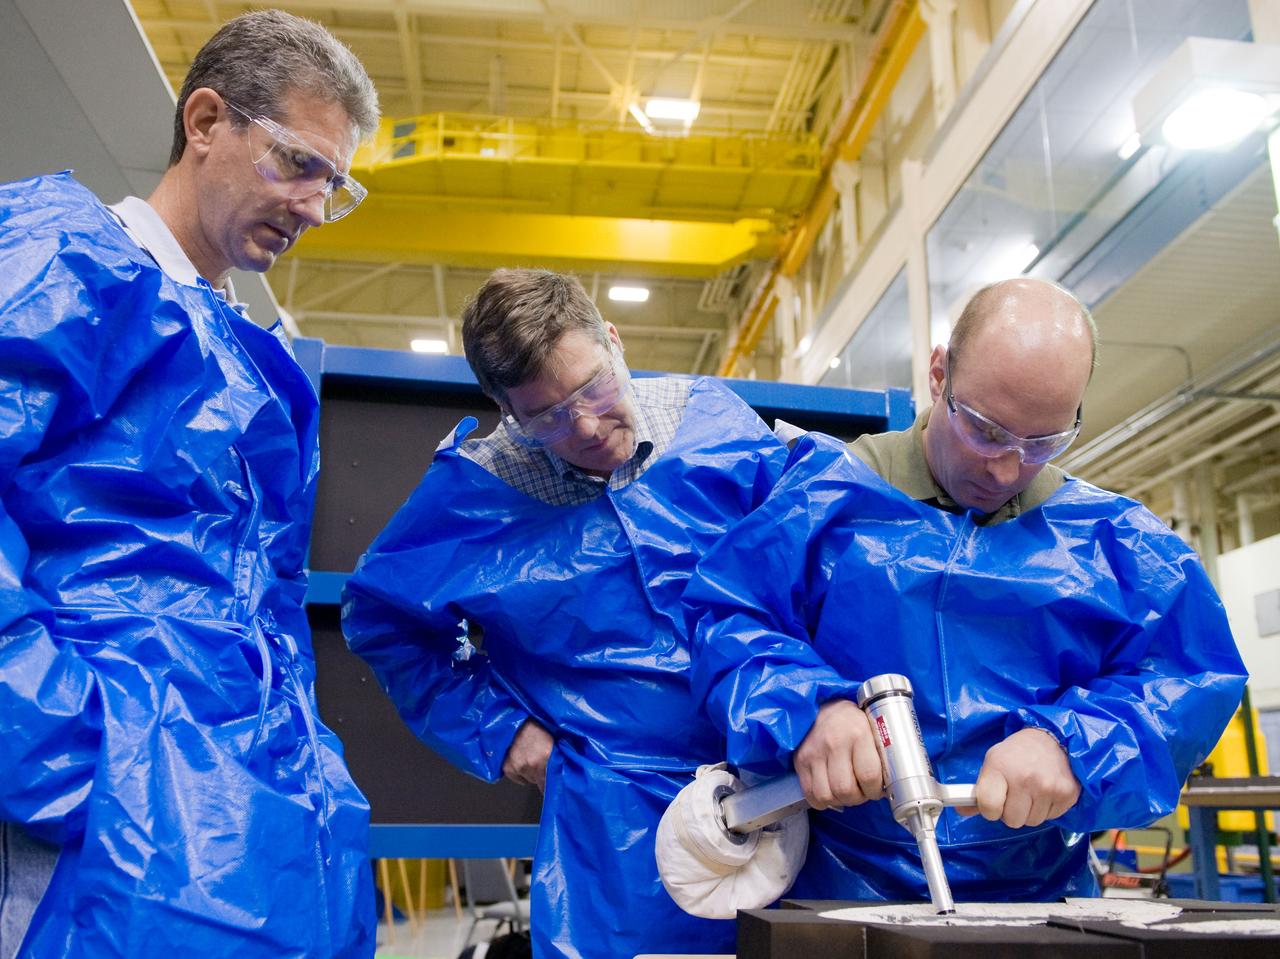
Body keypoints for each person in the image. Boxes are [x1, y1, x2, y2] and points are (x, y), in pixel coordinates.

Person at [0, 10, 379, 958]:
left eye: (336, 185)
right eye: (298, 164)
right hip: (103, 808)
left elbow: (262, 595)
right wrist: (73, 750)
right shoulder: (64, 259)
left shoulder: (244, 351)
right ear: (206, 121)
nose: (313, 207)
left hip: (233, 808)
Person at [684, 278, 1248, 902]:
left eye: (1042, 443)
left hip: (1038, 903)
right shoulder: (822, 501)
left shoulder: (1118, 548)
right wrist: (808, 706)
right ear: (938, 374)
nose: (1006, 467)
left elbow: (1190, 680)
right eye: (985, 430)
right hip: (833, 893)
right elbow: (729, 620)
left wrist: (1074, 741)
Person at [341, 268, 791, 959]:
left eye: (594, 387)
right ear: (504, 408)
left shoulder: (710, 421)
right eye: (545, 416)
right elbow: (385, 621)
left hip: (777, 784)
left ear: (612, 340)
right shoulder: (477, 490)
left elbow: (804, 570)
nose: (584, 426)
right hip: (613, 826)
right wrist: (502, 729)